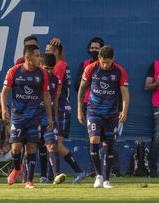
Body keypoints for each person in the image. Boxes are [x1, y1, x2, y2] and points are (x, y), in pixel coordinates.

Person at [1, 44, 54, 189]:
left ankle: (29, 181)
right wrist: (4, 108)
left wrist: (50, 117)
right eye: (37, 56)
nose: (40, 58)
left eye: (40, 55)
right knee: (16, 148)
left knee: (31, 147)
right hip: (18, 116)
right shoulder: (14, 71)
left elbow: (46, 96)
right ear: (28, 57)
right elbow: (5, 91)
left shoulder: (42, 73)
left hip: (34, 117)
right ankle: (17, 168)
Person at [78, 45, 129, 188]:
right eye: (103, 61)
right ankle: (98, 175)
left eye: (108, 61)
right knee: (94, 139)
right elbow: (81, 89)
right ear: (99, 58)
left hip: (111, 114)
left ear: (113, 58)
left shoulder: (119, 71)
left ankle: (106, 179)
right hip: (93, 111)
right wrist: (79, 110)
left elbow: (125, 93)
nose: (105, 65)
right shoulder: (91, 69)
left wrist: (124, 110)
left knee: (108, 145)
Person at [46, 41, 86, 183]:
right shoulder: (62, 64)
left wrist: (54, 113)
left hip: (61, 109)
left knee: (56, 143)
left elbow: (56, 92)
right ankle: (51, 177)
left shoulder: (59, 66)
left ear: (56, 52)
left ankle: (79, 171)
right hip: (61, 108)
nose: (46, 53)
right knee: (51, 142)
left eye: (49, 50)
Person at [40, 53, 67, 184]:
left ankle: (55, 176)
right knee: (30, 147)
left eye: (51, 68)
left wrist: (55, 118)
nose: (49, 71)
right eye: (46, 68)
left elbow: (55, 101)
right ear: (40, 65)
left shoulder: (55, 79)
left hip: (48, 117)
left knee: (52, 145)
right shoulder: (35, 77)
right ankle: (26, 177)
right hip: (33, 116)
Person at [144, 59, 159, 177]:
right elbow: (147, 86)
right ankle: (152, 171)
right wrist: (158, 82)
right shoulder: (155, 65)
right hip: (158, 105)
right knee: (157, 137)